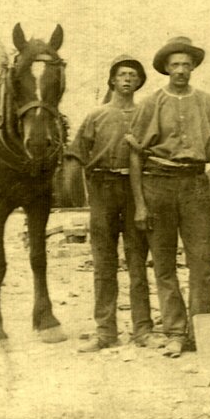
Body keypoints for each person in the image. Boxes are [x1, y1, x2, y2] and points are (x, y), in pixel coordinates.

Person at [127, 36, 210, 358]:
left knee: (203, 260)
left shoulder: (205, 101)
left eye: (186, 64)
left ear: (193, 67)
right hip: (158, 183)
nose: (181, 70)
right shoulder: (151, 103)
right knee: (164, 263)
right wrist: (141, 204)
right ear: (166, 69)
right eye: (175, 65)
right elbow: (135, 154)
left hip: (195, 185)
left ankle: (200, 332)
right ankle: (174, 331)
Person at [65, 55, 156, 352]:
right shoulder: (97, 115)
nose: (128, 79)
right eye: (122, 74)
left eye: (133, 75)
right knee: (104, 262)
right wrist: (75, 191)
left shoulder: (147, 113)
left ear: (139, 81)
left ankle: (143, 329)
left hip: (135, 190)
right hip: (103, 188)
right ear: (113, 80)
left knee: (137, 261)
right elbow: (76, 153)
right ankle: (106, 331)